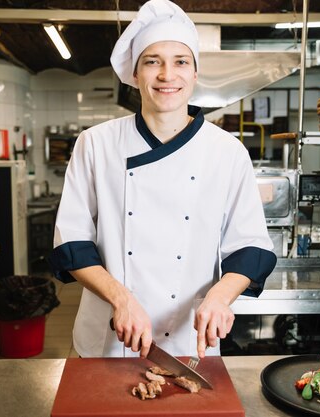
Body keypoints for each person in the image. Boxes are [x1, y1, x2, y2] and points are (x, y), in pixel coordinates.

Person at [50, 0, 276, 360]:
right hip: (110, 336)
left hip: (191, 338)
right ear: (135, 74)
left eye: (181, 61)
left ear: (195, 74)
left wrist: (219, 298)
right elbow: (72, 244)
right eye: (152, 61)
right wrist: (122, 299)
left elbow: (250, 247)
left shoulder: (227, 152)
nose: (167, 75)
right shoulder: (95, 144)